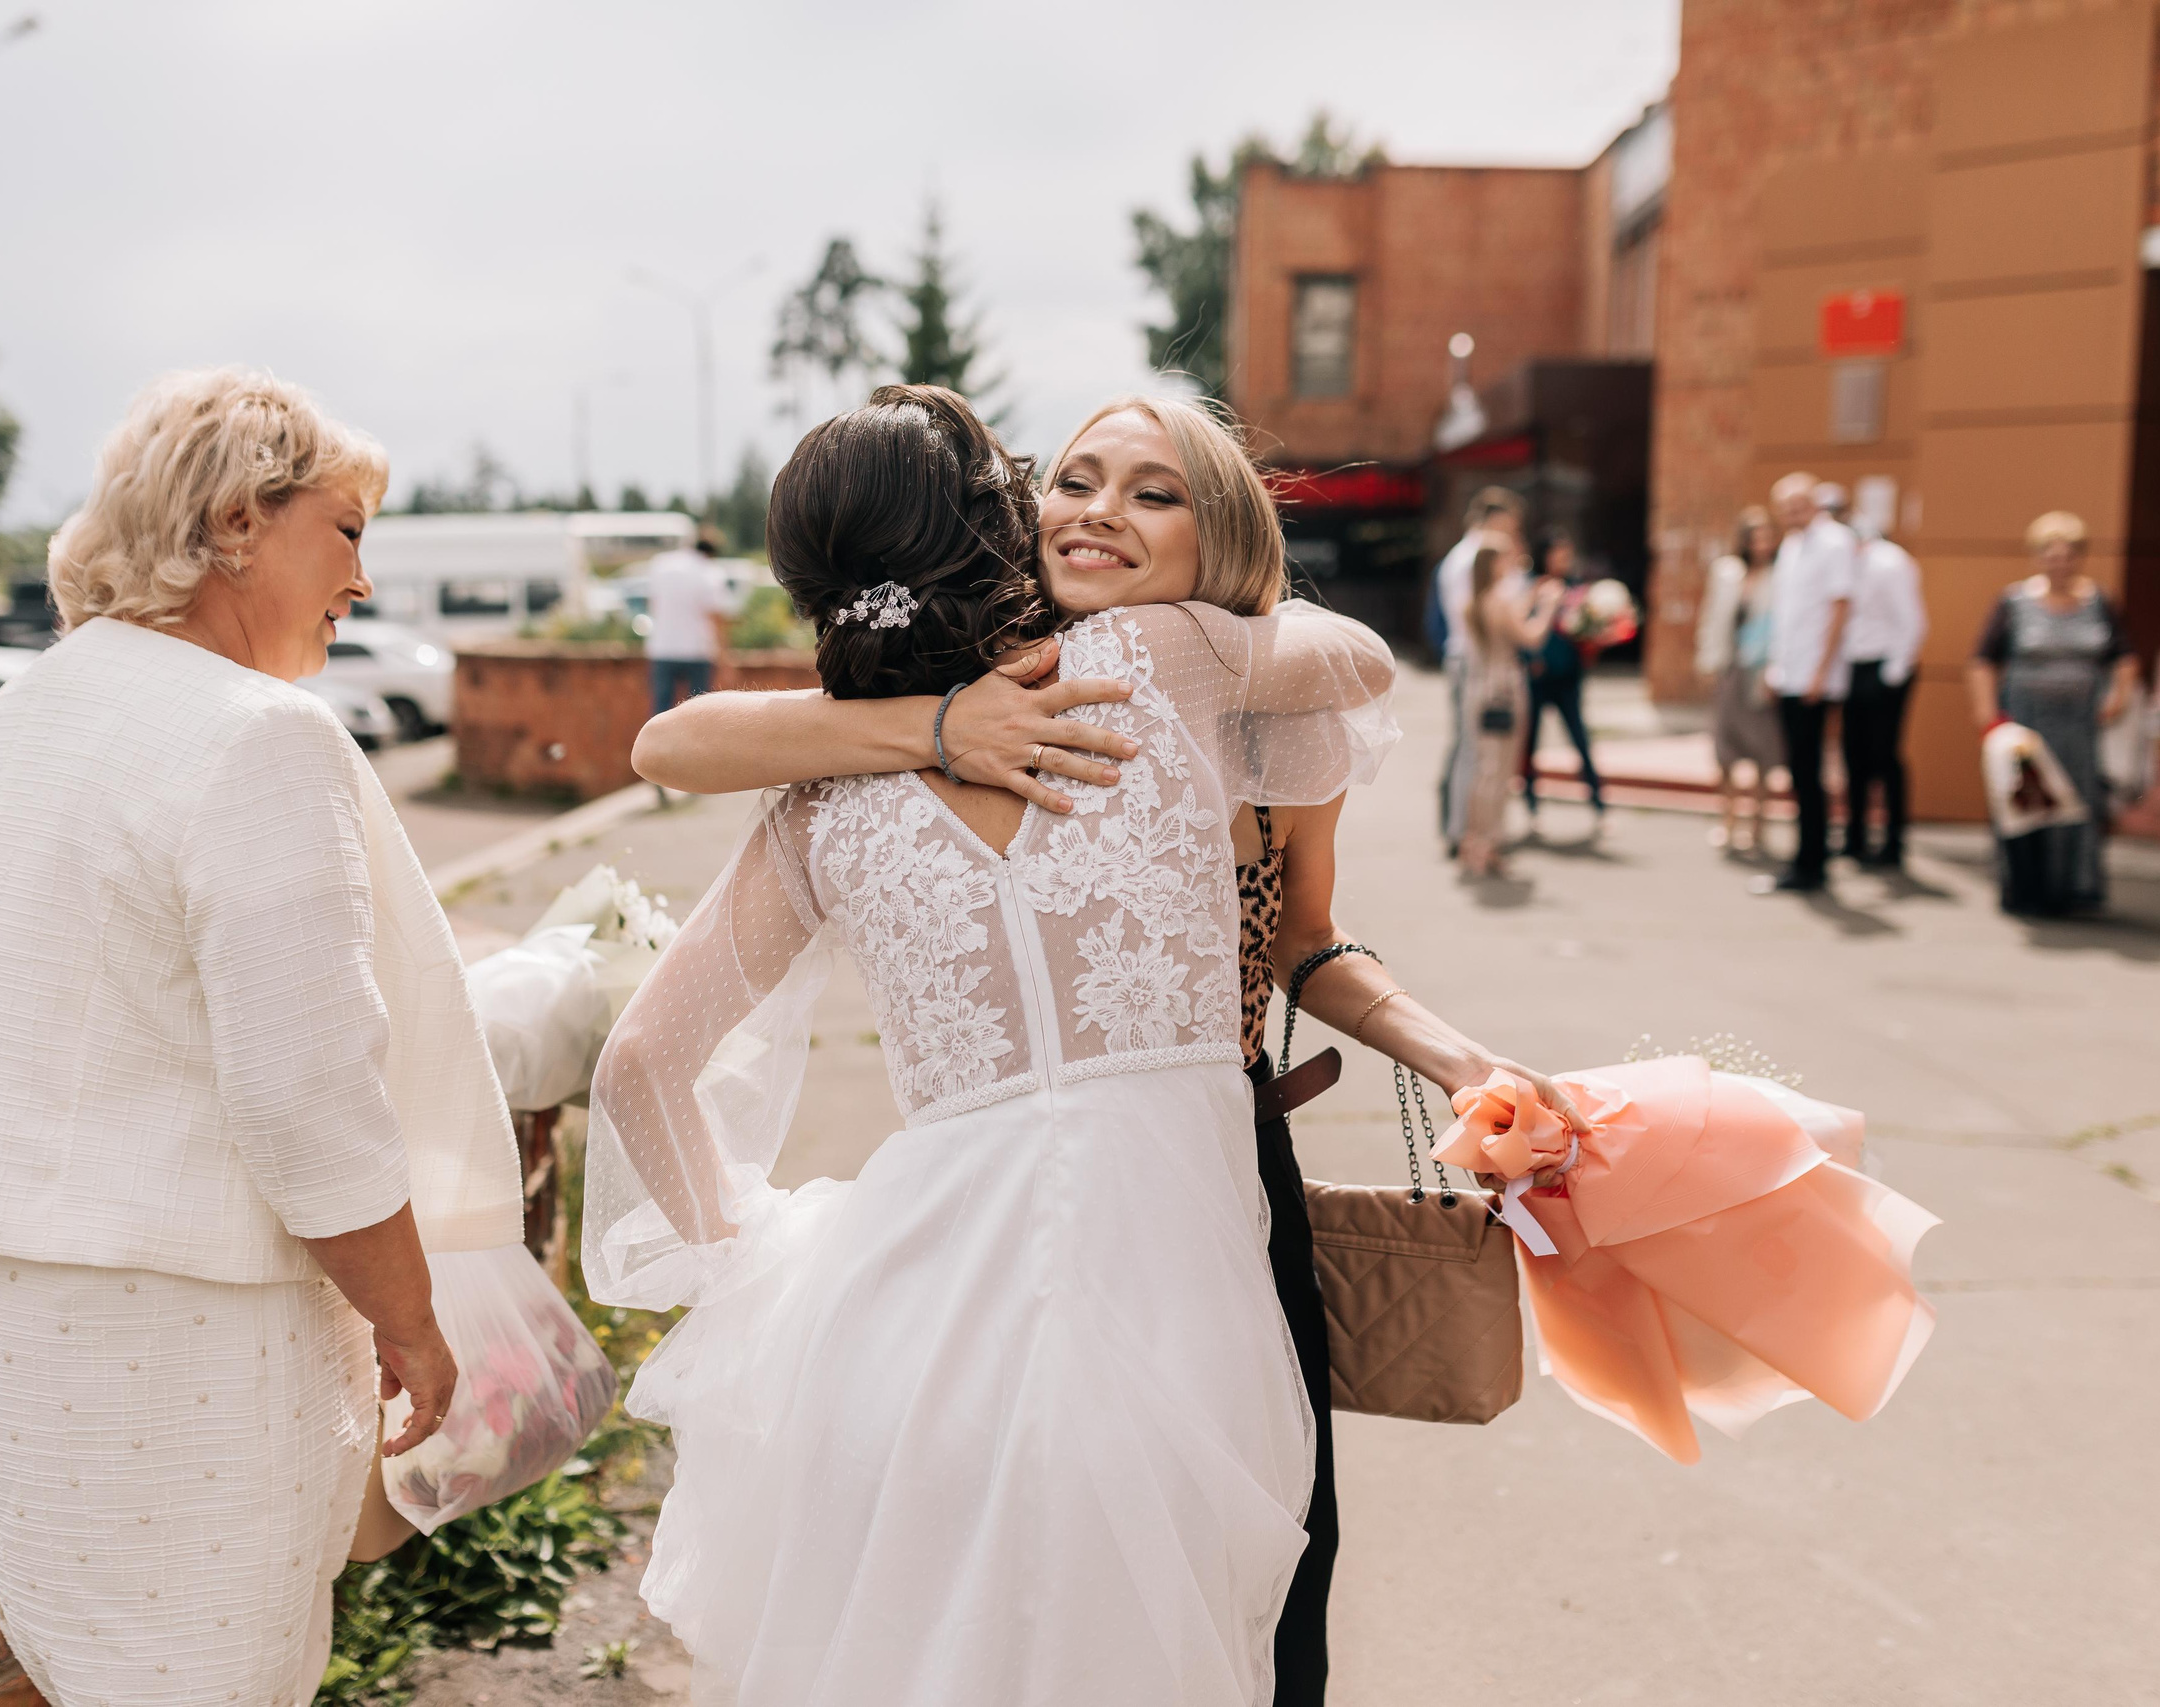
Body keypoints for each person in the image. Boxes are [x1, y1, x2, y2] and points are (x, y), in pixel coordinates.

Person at [621, 389, 1586, 1706]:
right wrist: (942, 720)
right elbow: (1362, 656)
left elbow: (639, 1060)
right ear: (1009, 523)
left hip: (927, 1297)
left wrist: (750, 1287)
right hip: (1169, 1255)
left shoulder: (828, 798)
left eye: (1153, 492)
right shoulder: (1152, 666)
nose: (1096, 514)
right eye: (1068, 484)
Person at [0, 369, 526, 1705]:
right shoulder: (259, 736)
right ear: (237, 521)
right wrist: (411, 1318)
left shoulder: (26, 713)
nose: (361, 580)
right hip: (183, 1336)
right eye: (345, 531)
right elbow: (307, 1096)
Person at [1967, 510, 2140, 917]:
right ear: (2037, 556)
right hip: (2028, 721)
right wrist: (1988, 715)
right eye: (2051, 555)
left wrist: (2117, 698)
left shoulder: (2098, 602)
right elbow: (1983, 660)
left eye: (2068, 555)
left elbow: (2124, 657)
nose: (2059, 564)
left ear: (2080, 557)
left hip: (2080, 724)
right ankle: (2025, 890)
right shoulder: (2014, 602)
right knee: (2028, 803)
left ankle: (2075, 888)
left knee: (2079, 803)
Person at [1761, 472, 1858, 892]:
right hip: (1790, 673)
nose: (1792, 514)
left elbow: (1840, 608)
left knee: (1809, 768)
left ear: (1815, 504)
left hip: (1813, 677)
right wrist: (1775, 668)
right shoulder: (1791, 545)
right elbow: (1785, 615)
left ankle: (1812, 862)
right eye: (1785, 508)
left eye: (1798, 506)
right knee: (1798, 769)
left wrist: (1821, 671)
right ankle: (1806, 855)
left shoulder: (1835, 542)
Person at [1432, 486, 1526, 854]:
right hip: (1476, 662)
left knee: (1468, 747)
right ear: (1492, 519)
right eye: (1508, 523)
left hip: (1471, 659)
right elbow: (1481, 617)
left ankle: (1466, 830)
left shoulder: (1467, 555)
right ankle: (1464, 832)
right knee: (1472, 750)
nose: (1512, 531)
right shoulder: (1473, 558)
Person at [1695, 506, 1787, 856]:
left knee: (1764, 749)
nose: (1761, 544)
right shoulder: (1726, 572)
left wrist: (1777, 672)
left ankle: (1759, 826)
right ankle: (1729, 819)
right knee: (1725, 749)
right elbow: (1711, 617)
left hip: (1762, 671)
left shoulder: (1782, 574)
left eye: (1767, 537)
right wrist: (1706, 660)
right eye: (1755, 537)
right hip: (1730, 667)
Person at [1840, 510, 1928, 871]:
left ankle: (1892, 842)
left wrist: (1892, 674)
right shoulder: (1848, 563)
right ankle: (1855, 837)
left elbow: (1911, 620)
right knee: (1853, 755)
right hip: (1852, 668)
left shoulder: (1890, 562)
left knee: (1884, 756)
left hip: (1883, 668)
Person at [1457, 545, 1552, 877]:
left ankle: (1473, 842)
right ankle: (1488, 845)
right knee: (1498, 772)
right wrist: (1548, 607)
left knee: (1484, 769)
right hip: (1504, 692)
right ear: (1493, 564)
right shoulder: (1498, 600)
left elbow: (1508, 622)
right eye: (1505, 558)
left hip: (1480, 688)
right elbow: (1532, 637)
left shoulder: (1476, 601)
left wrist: (1530, 599)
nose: (1511, 563)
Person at [1518, 529, 1604, 829]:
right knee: (1530, 743)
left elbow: (1585, 630)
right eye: (1559, 553)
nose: (1564, 559)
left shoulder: (1576, 588)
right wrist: (1530, 660)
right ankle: (1531, 803)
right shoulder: (1532, 586)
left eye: (1567, 554)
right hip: (1538, 678)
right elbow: (1520, 627)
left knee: (1580, 739)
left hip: (1568, 677)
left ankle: (1598, 802)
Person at [645, 532, 741, 717]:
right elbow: (716, 618)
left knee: (661, 711)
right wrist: (725, 659)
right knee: (698, 712)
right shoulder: (709, 572)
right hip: (697, 650)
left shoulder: (661, 565)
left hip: (662, 648)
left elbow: (653, 604)